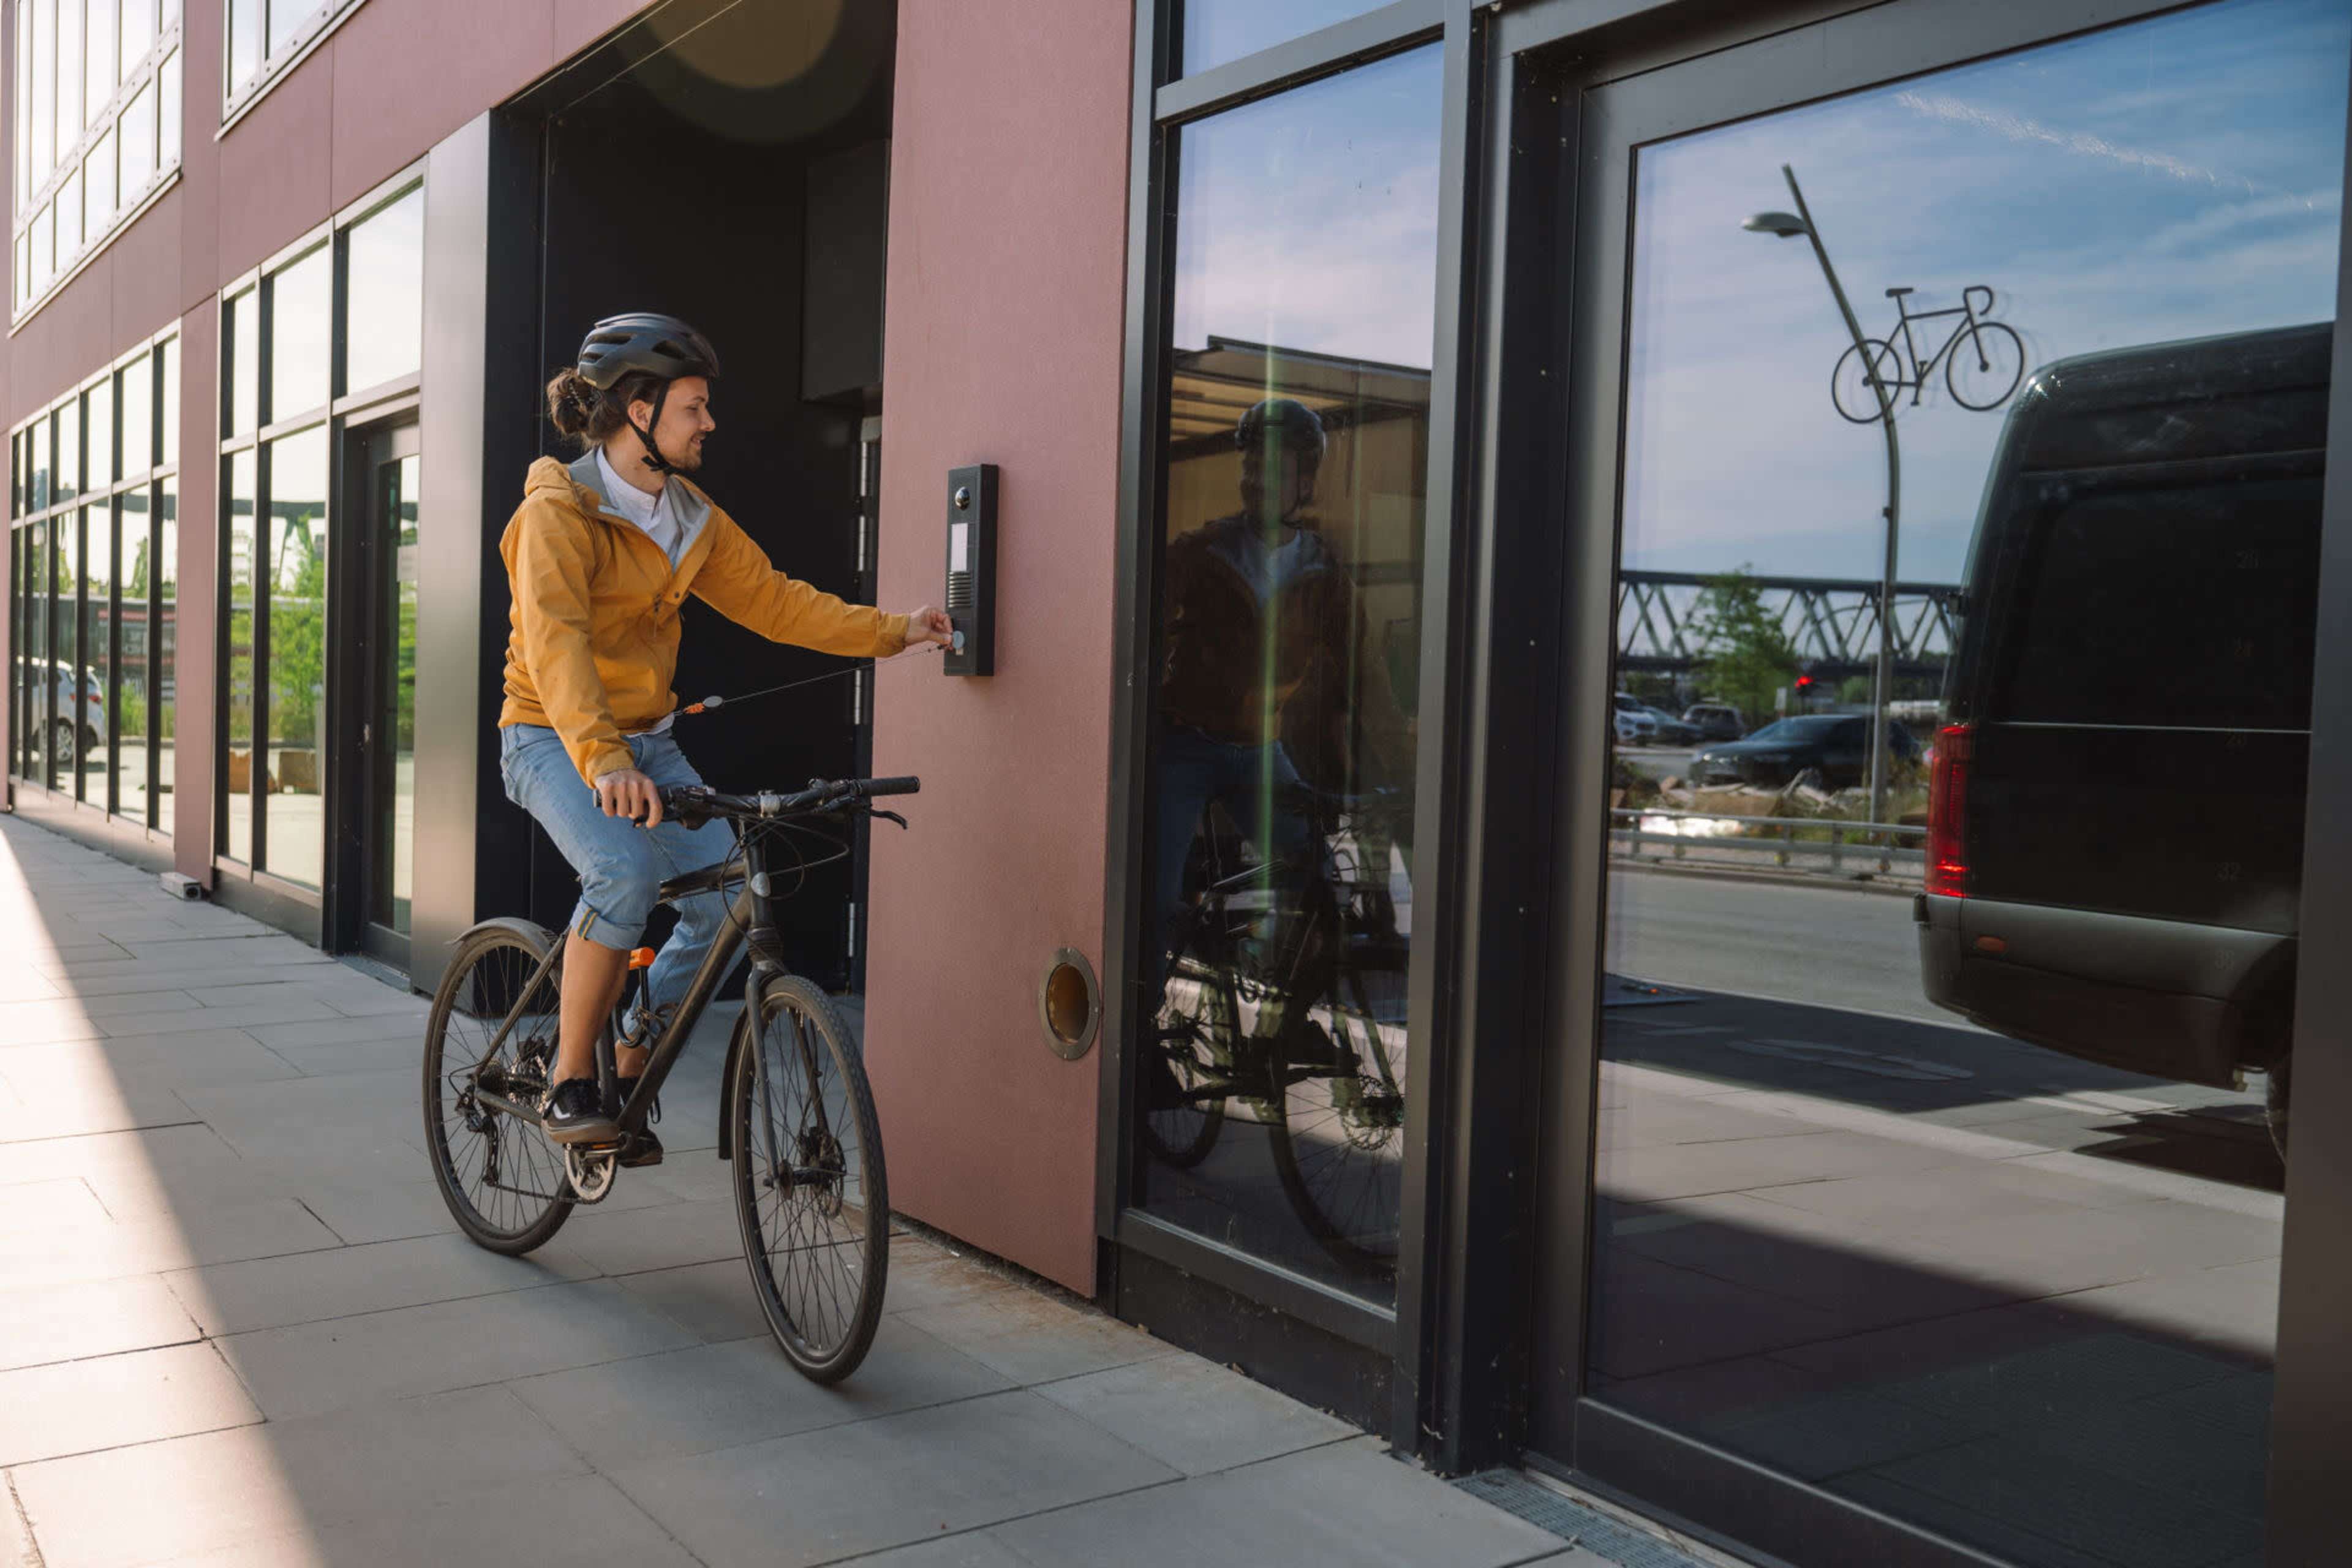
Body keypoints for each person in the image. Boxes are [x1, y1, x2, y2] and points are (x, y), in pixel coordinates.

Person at [500, 312, 951, 1152]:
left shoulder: (691, 518)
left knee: (730, 897)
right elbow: (557, 648)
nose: (709, 422)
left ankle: (631, 1048)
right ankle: (568, 1077)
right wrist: (604, 760)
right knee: (624, 873)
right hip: (548, 736)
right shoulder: (556, 515)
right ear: (640, 413)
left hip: (647, 741)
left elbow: (778, 604)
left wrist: (897, 631)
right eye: (693, 407)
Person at [1152, 398, 1414, 1007]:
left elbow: (1369, 682)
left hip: (1258, 750)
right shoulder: (1200, 552)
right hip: (1182, 745)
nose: (1256, 482)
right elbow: (1142, 641)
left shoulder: (1323, 572)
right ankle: (1141, 1031)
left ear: (1304, 482)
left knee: (1313, 879)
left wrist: (1404, 775)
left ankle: (1281, 1020)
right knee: (1156, 900)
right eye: (1249, 468)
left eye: (1272, 471)